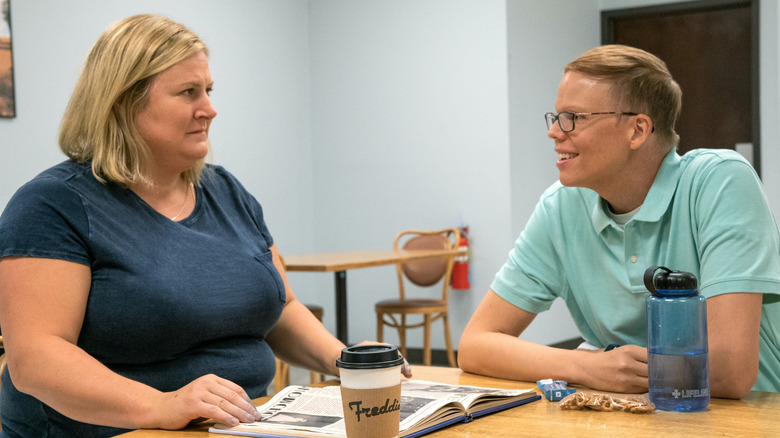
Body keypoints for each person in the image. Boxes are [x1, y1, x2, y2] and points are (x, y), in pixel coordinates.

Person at [0, 14, 409, 437]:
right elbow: (35, 358)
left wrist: (347, 364)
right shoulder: (51, 205)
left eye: (208, 90)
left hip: (242, 425)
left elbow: (281, 309)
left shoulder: (227, 192)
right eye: (188, 92)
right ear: (123, 103)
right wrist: (162, 405)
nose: (210, 109)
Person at [458, 44, 780, 399]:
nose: (555, 132)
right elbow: (475, 345)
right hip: (630, 420)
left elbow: (729, 371)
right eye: (557, 117)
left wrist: (601, 367)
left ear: (637, 130)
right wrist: (590, 366)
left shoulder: (721, 181)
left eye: (574, 118)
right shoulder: (561, 207)